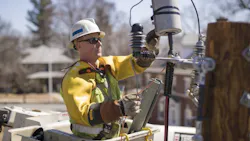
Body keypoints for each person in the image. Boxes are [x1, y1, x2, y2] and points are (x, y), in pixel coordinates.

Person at [61, 18, 160, 140]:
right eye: (93, 40)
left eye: (99, 39)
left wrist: (147, 52)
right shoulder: (74, 78)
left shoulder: (106, 65)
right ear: (78, 44)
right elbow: (83, 114)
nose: (99, 43)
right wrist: (119, 108)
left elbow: (133, 64)